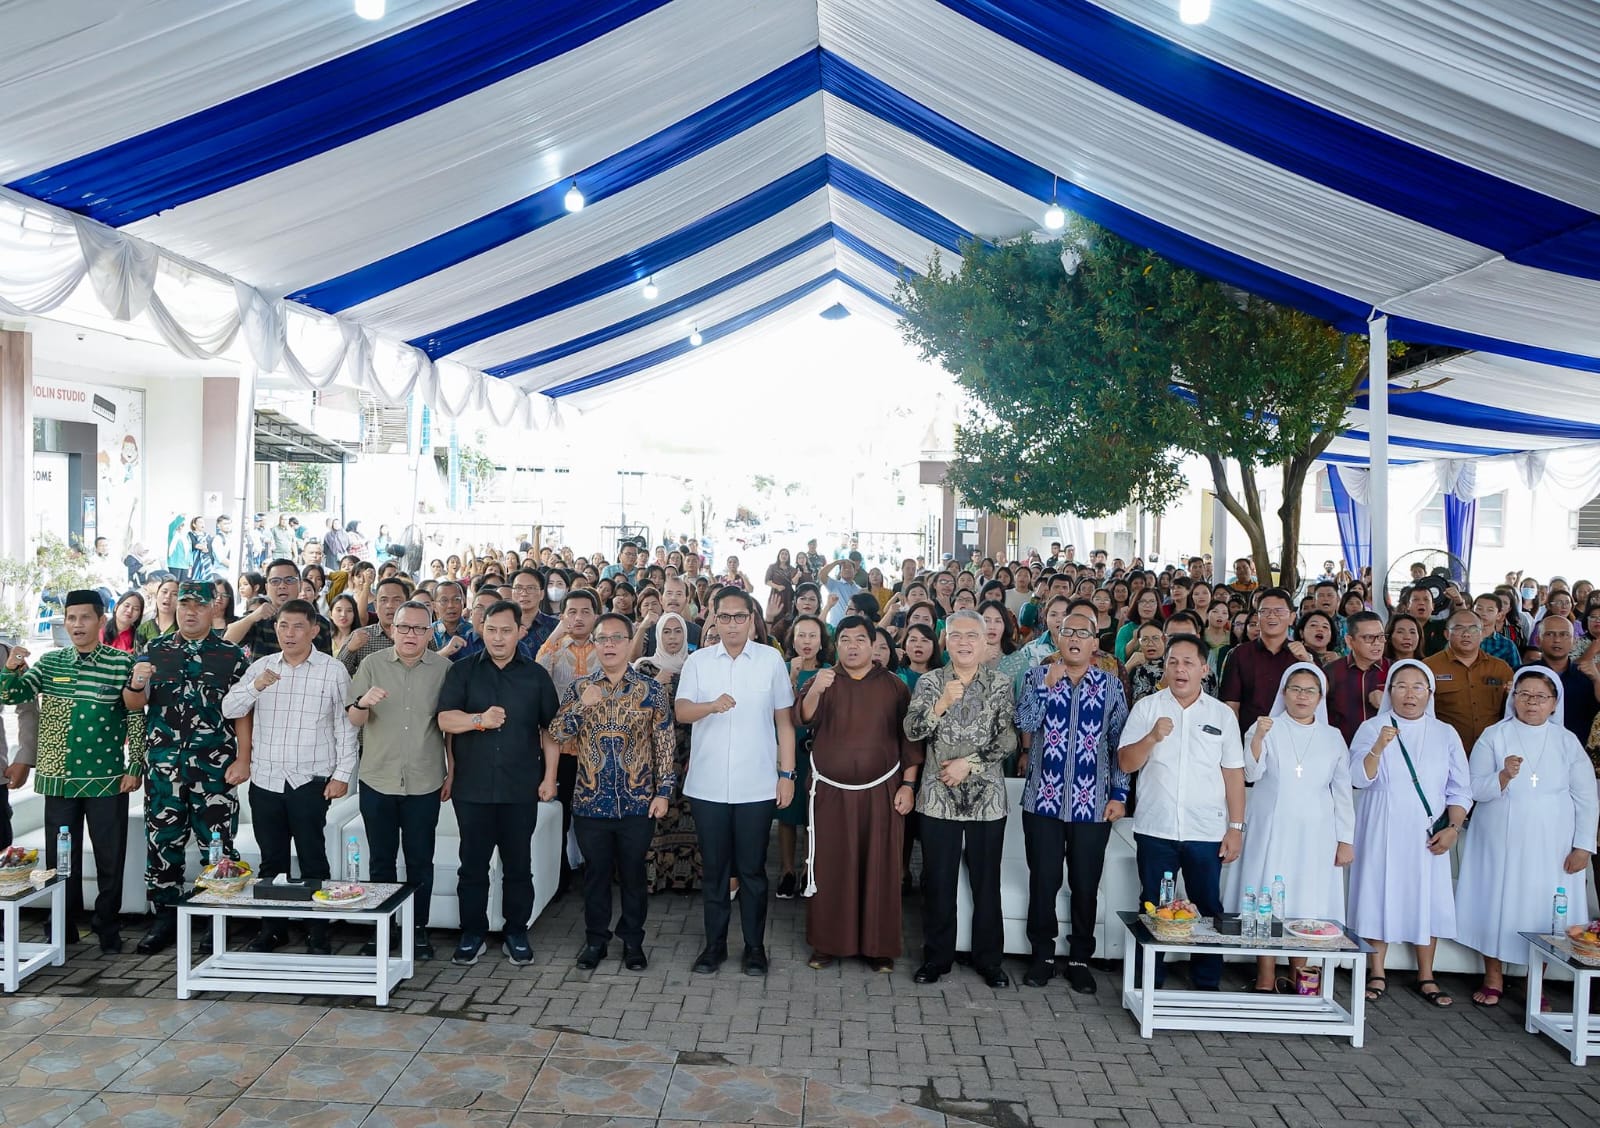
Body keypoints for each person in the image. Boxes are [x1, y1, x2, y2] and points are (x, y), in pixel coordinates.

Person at [0, 591, 146, 952]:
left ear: (100, 621)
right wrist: (10, 667)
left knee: (110, 857)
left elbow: (135, 716)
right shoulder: (50, 663)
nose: (77, 625)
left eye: (84, 618)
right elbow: (11, 694)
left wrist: (135, 765)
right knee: (62, 859)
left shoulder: (120, 663)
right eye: (71, 618)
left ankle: (107, 928)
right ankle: (64, 925)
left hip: (106, 780)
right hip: (58, 779)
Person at [222, 599, 358, 955]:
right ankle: (273, 929)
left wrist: (342, 775)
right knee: (272, 860)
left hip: (310, 780)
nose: (290, 633)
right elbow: (229, 708)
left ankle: (318, 929)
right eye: (283, 626)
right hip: (266, 780)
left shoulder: (332, 671)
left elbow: (346, 728)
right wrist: (256, 687)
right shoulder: (262, 667)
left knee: (313, 858)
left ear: (314, 630)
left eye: (298, 626)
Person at [1456, 667, 1598, 1007]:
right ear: (1513, 698)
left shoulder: (1567, 741)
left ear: (1554, 703)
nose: (1532, 702)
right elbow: (1474, 788)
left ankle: (1537, 983)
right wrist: (1504, 774)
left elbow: (1586, 796)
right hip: (1498, 841)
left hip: (1552, 845)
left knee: (1545, 910)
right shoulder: (1495, 735)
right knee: (1494, 903)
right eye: (1524, 695)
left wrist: (1583, 845)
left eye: (1541, 697)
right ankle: (1494, 977)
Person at [676, 589, 798, 976]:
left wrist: (787, 775)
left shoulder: (770, 660)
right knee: (714, 871)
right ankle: (714, 947)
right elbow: (681, 711)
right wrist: (711, 706)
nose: (732, 624)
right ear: (712, 618)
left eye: (739, 617)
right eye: (724, 617)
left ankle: (754, 947)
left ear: (752, 619)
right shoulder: (697, 662)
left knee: (752, 871)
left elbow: (785, 722)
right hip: (708, 785)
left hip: (757, 784)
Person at [129, 582, 252, 955]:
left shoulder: (231, 655)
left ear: (213, 607)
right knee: (162, 843)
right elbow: (136, 703)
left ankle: (218, 918)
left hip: (214, 768)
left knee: (218, 844)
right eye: (184, 604)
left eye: (199, 605)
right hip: (164, 766)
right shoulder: (154, 649)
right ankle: (165, 917)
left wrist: (244, 757)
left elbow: (243, 711)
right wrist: (137, 683)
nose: (190, 611)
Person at [437, 600, 561, 967]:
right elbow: (445, 720)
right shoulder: (462, 672)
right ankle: (472, 933)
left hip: (520, 787)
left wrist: (550, 778)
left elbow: (550, 730)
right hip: (472, 788)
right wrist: (479, 720)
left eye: (506, 630)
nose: (498, 637)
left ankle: (515, 932)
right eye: (491, 630)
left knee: (518, 865)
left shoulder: (535, 675)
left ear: (521, 631)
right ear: (481, 630)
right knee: (472, 865)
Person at [1118, 634, 1245, 990]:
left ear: (1204, 669)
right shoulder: (1147, 708)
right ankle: (1148, 982)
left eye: (1189, 662)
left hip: (1206, 831)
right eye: (1173, 662)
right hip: (1156, 827)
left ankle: (1206, 982)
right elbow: (1126, 763)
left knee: (1207, 906)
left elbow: (1233, 774)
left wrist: (1236, 827)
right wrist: (1152, 738)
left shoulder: (1221, 714)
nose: (1180, 669)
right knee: (1154, 906)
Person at [796, 616, 922, 972]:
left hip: (881, 792)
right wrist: (816, 689)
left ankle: (877, 946)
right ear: (836, 645)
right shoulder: (824, 679)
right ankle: (826, 942)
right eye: (845, 640)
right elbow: (803, 718)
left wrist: (909, 786)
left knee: (879, 868)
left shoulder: (894, 686)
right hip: (830, 793)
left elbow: (910, 740)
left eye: (859, 640)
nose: (852, 646)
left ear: (873, 644)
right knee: (831, 865)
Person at [554, 613, 676, 971]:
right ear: (594, 644)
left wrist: (664, 791)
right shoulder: (579, 688)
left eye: (616, 638)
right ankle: (596, 940)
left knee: (634, 874)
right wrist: (582, 705)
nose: (609, 645)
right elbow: (557, 733)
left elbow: (664, 743)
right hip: (591, 801)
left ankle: (633, 941)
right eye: (602, 639)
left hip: (638, 801)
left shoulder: (651, 690)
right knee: (596, 875)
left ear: (629, 643)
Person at [1348, 660, 1472, 1006]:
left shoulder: (1445, 733)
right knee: (1377, 890)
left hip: (1427, 829)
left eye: (1418, 686)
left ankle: (1426, 975)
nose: (1409, 694)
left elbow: (1460, 789)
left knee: (1426, 895)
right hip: (1380, 824)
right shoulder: (1372, 727)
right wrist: (1378, 748)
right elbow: (1358, 778)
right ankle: (1377, 971)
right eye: (1400, 686)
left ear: (1429, 693)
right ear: (1389, 691)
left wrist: (1453, 828)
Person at [903, 610, 1015, 987]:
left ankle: (989, 960)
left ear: (985, 642)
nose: (963, 642)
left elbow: (1007, 740)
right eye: (955, 636)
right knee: (938, 882)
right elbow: (913, 731)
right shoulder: (932, 682)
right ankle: (936, 959)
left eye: (971, 636)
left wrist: (968, 764)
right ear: (945, 641)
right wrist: (939, 706)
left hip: (986, 801)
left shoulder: (999, 683)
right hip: (937, 799)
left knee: (986, 883)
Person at [1235, 664, 1355, 993]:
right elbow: (1251, 772)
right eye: (1295, 689)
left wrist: (1346, 839)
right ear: (1284, 693)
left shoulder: (1332, 737)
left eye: (1310, 691)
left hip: (1316, 834)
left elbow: (1342, 791)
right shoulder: (1266, 728)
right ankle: (1265, 977)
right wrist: (1258, 737)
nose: (1302, 696)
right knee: (1266, 899)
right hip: (1272, 829)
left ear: (1320, 698)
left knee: (1308, 899)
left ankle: (1301, 978)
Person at [346, 599, 452, 961]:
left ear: (429, 632)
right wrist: (363, 703)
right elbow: (353, 720)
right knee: (381, 861)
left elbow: (449, 729)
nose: (410, 634)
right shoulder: (372, 664)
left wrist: (452, 771)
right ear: (391, 629)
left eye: (420, 628)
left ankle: (417, 930)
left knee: (421, 860)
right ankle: (382, 929)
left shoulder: (444, 669)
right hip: (378, 779)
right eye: (404, 627)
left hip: (425, 780)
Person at [1425, 608, 1514, 754]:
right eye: (1459, 628)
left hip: (1491, 751)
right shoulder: (1429, 667)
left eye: (1473, 629)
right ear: (1447, 634)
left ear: (1482, 634)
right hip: (1445, 750)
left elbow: (1512, 709)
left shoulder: (1500, 668)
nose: (1466, 634)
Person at [1220, 588, 1303, 735]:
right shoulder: (1240, 654)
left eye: (1279, 611)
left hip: (1293, 739)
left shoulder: (1303, 655)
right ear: (1257, 617)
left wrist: (1308, 661)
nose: (1271, 616)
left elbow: (1322, 694)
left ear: (1292, 617)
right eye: (1264, 611)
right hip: (1249, 739)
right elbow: (1231, 704)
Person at [225, 558, 334, 657]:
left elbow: (327, 665)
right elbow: (226, 642)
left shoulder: (319, 623)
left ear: (300, 585)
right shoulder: (258, 617)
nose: (282, 586)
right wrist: (252, 617)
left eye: (289, 580)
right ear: (267, 587)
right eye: (275, 581)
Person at [1532, 615, 1600, 748]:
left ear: (1574, 641)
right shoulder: (1523, 674)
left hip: (1577, 750)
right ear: (1537, 640)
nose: (1557, 640)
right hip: (1533, 748)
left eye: (1564, 635)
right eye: (1550, 634)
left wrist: (1597, 680)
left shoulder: (1587, 676)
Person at [1325, 610, 1392, 745]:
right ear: (1350, 641)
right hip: (1342, 749)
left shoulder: (1395, 670)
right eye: (1368, 638)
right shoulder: (1331, 672)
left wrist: (1388, 702)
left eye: (1380, 636)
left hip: (1386, 752)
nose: (1377, 643)